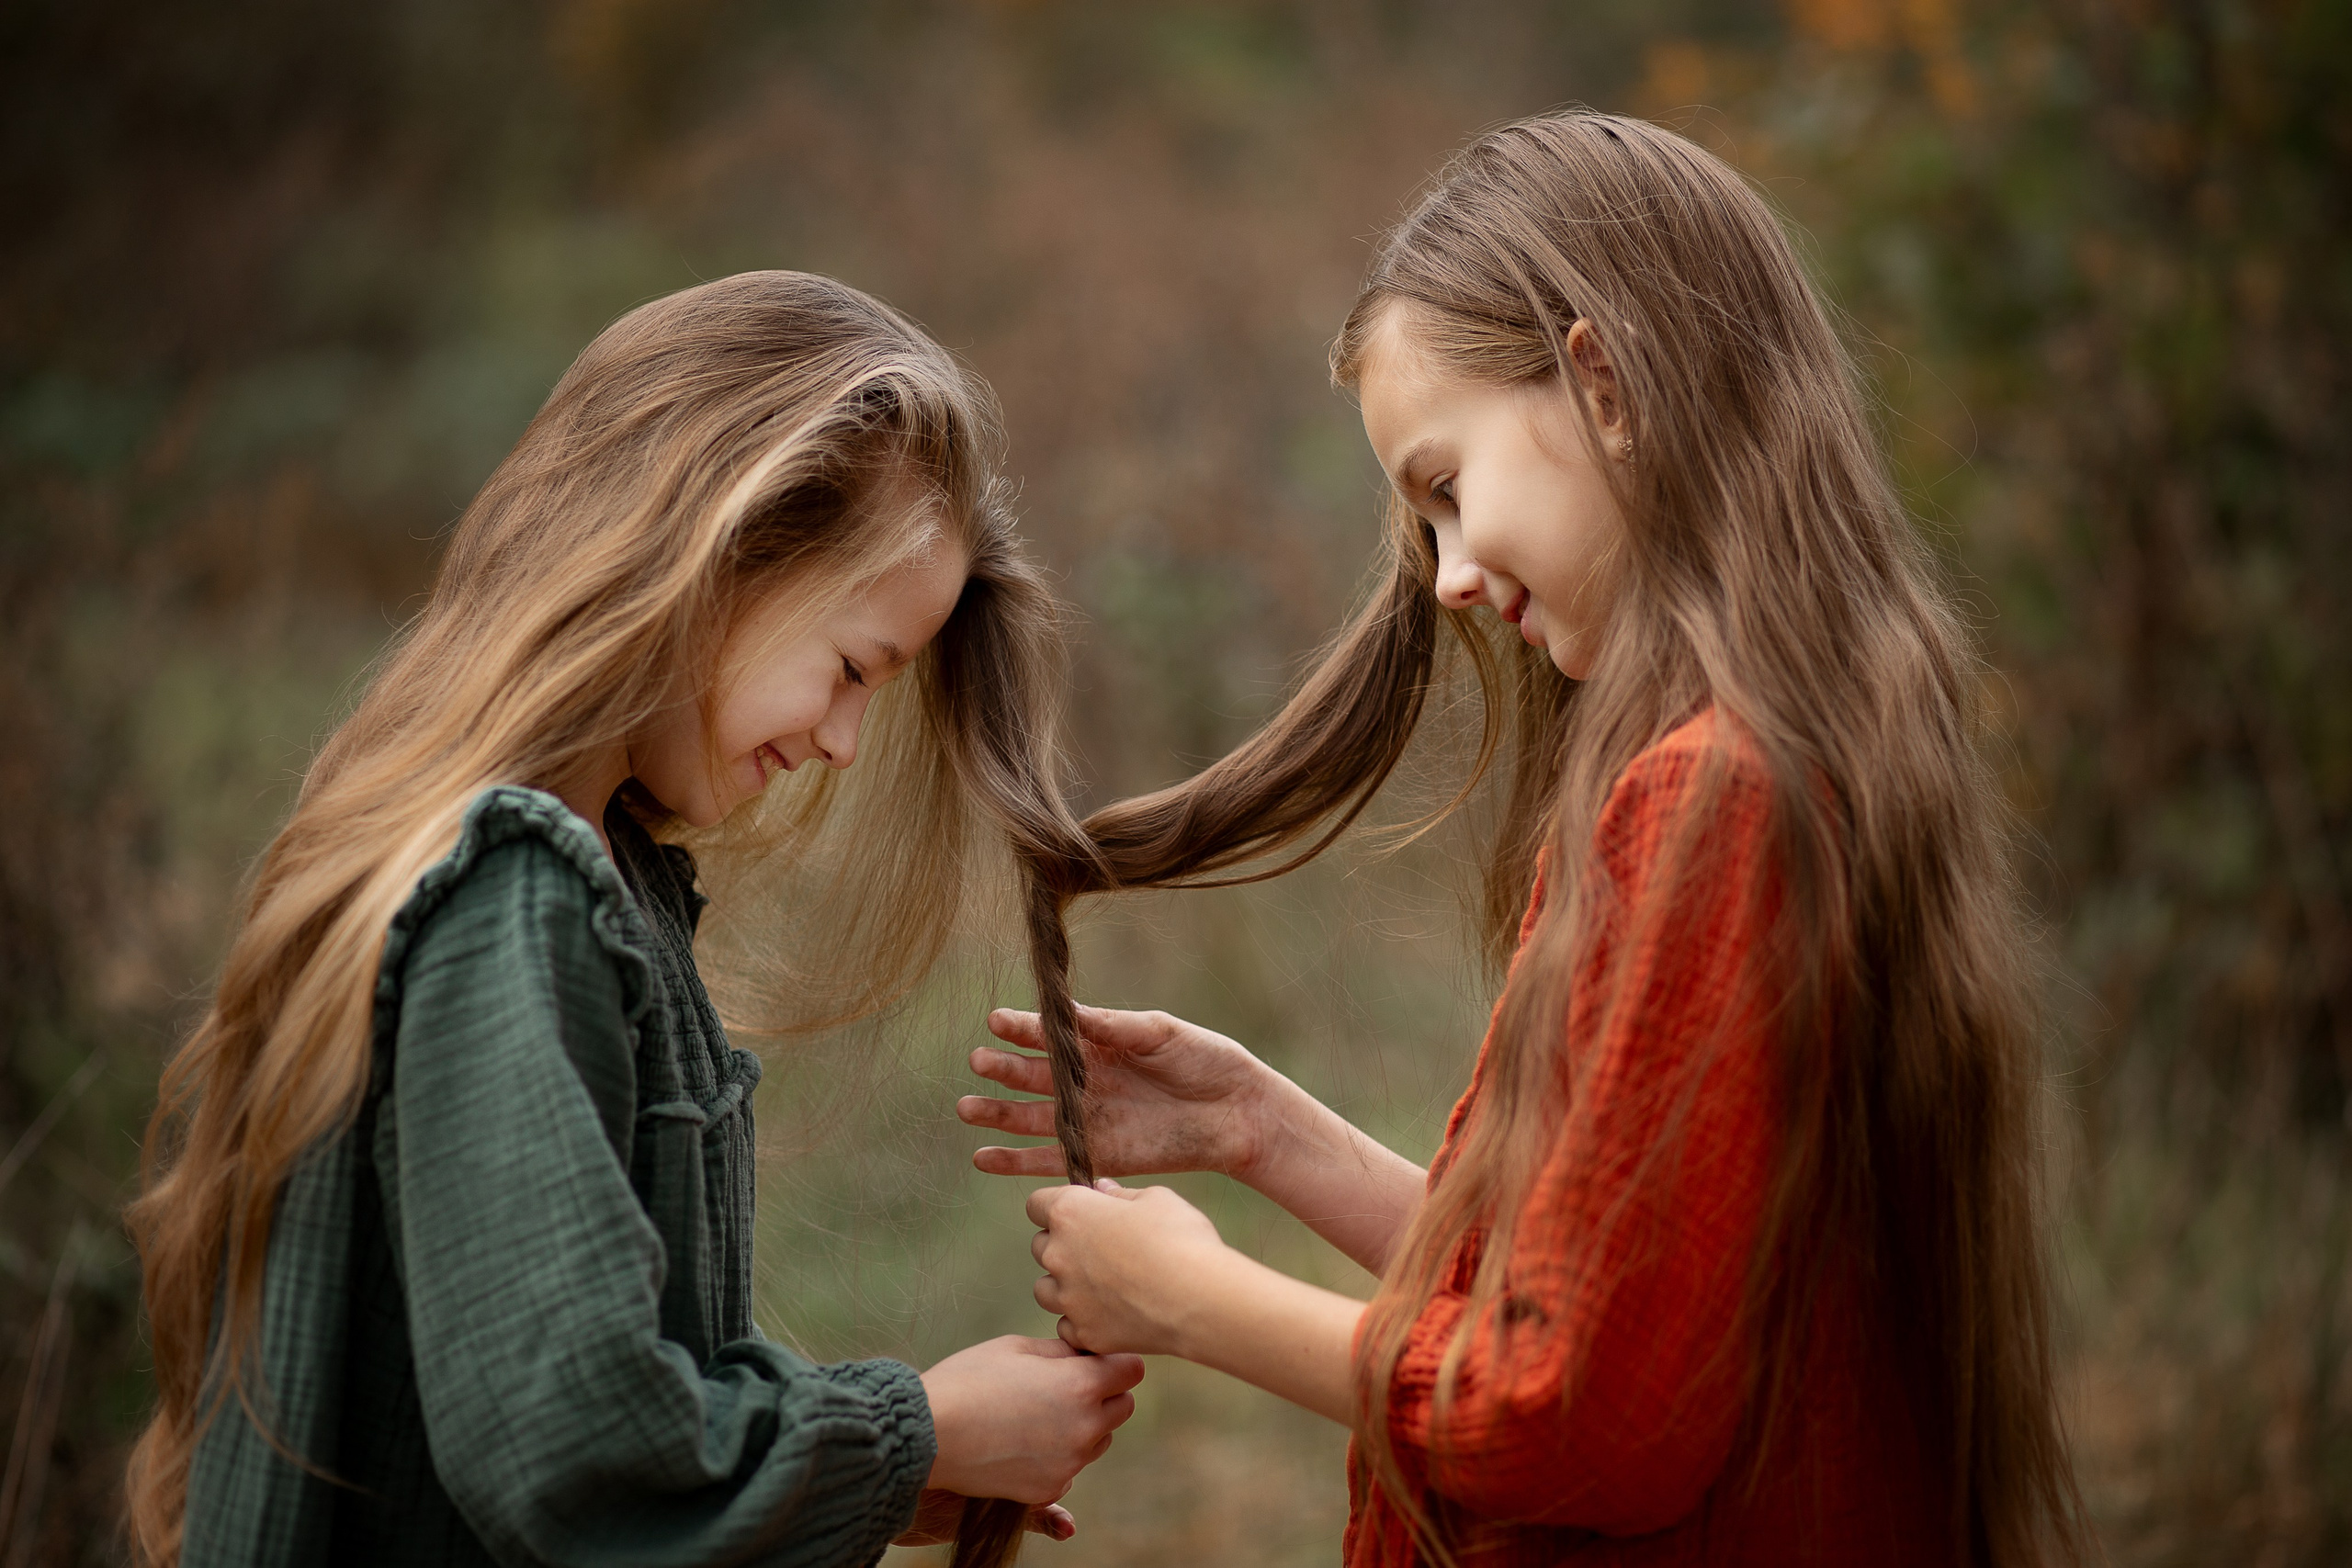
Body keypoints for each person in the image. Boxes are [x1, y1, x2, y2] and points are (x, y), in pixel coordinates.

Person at [960, 113, 2089, 1564]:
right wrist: (1261, 1129)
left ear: (1603, 381)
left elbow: (1573, 1426)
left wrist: (1198, 1304)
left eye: (1444, 488)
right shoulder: (1795, 755)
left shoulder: (1709, 799)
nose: (1445, 575)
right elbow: (1622, 1305)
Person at [125, 272, 1143, 1568]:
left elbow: (601, 1345)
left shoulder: (601, 880)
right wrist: (917, 1429)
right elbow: (574, 1456)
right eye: (850, 670)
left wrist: (858, 1475)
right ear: (714, 557)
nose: (841, 740)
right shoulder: (512, 897)